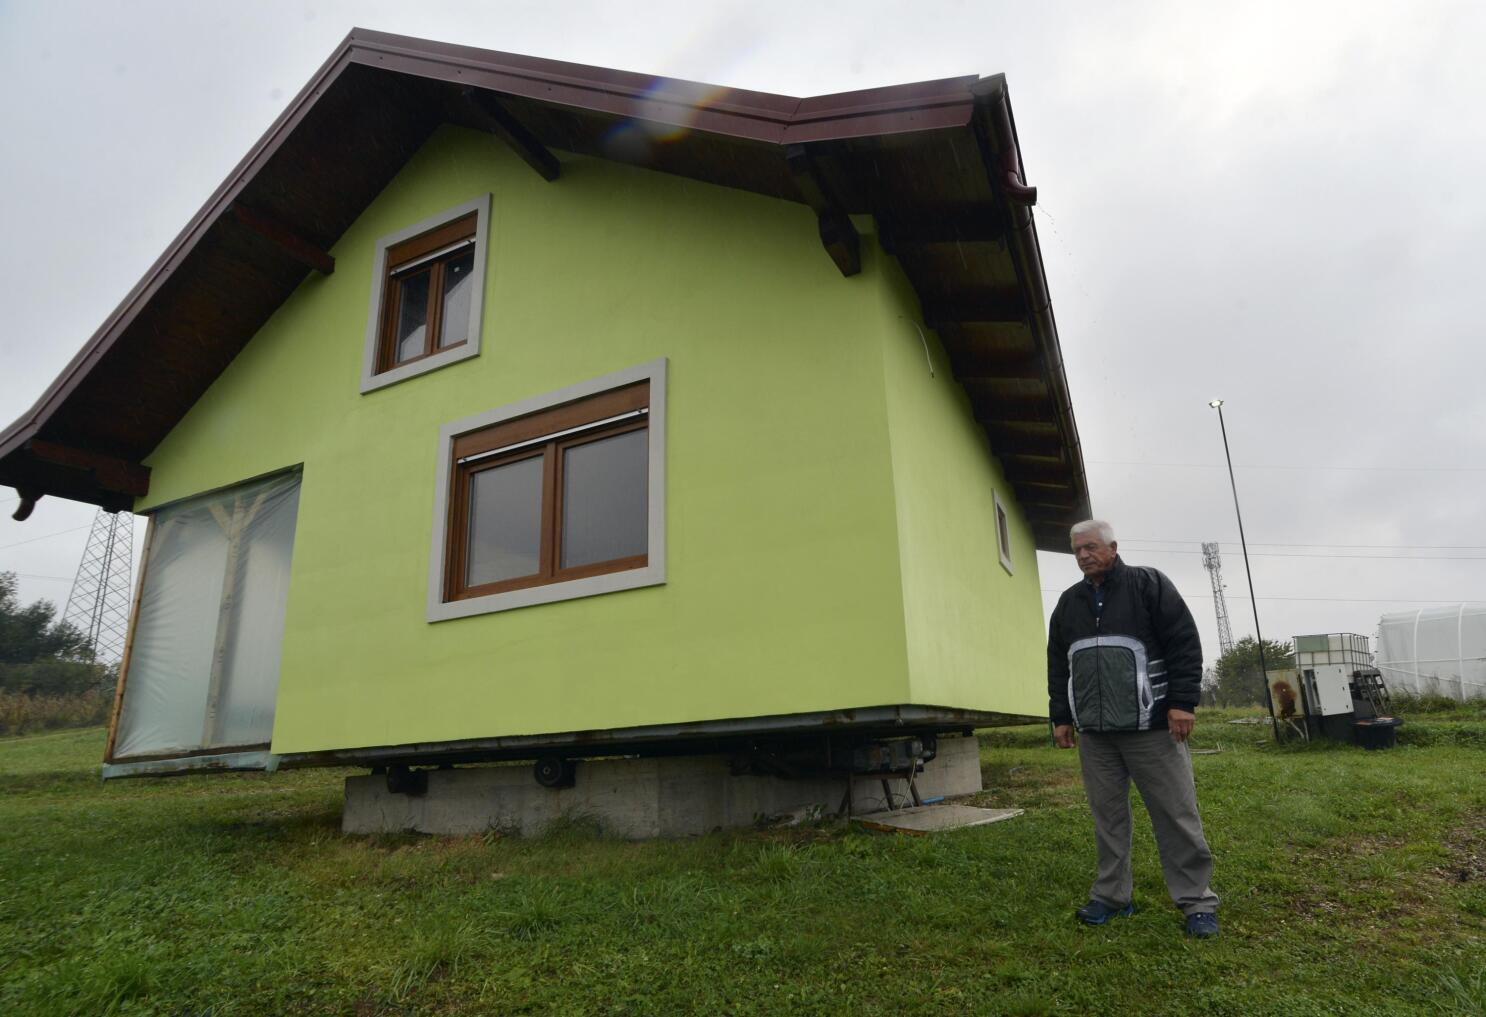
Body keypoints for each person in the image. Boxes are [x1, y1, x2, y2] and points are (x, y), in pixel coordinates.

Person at [1047, 519, 1220, 938]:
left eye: (1091, 547)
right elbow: (1057, 663)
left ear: (1112, 547)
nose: (1084, 556)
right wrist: (1061, 716)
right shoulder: (1069, 603)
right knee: (1108, 819)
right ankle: (1111, 896)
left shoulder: (1148, 585)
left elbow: (1183, 642)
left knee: (1175, 814)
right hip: (1096, 735)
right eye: (1077, 551)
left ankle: (1196, 901)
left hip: (1153, 728)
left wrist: (1182, 703)